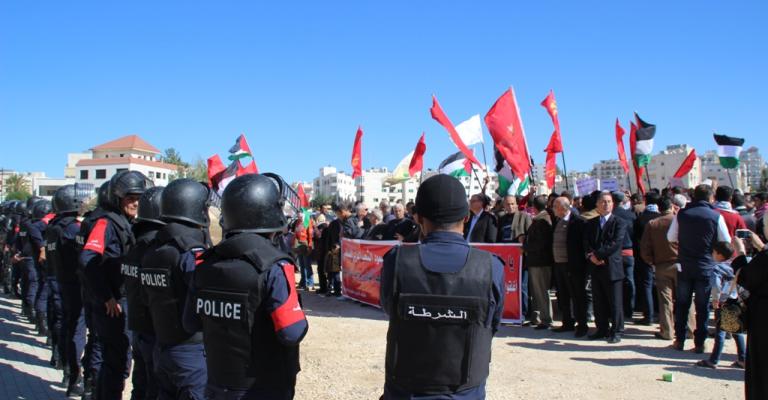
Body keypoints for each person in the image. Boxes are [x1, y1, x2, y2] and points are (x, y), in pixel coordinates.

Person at [379, 174, 504, 399]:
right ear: (466, 217)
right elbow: (491, 324)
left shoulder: (397, 261)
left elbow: (389, 308)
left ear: (419, 218)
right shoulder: (490, 266)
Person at [186, 173, 308, 399]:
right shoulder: (274, 267)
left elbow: (190, 322)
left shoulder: (205, 263)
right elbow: (292, 332)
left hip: (217, 383)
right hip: (262, 386)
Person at [80, 171, 150, 400]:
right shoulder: (105, 222)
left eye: (139, 198)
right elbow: (87, 259)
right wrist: (106, 296)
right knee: (115, 362)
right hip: (112, 304)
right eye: (130, 198)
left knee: (116, 360)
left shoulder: (125, 222)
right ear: (118, 198)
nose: (135, 203)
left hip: (121, 300)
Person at [140, 178, 211, 400]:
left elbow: (145, 298)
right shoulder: (191, 253)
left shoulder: (152, 251)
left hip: (162, 349)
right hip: (190, 354)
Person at [667, 184, 731, 353]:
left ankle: (679, 340)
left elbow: (671, 237)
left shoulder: (682, 214)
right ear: (711, 198)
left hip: (684, 265)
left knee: (682, 304)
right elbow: (725, 240)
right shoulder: (715, 216)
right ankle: (700, 343)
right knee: (703, 307)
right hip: (705, 265)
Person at [121, 186, 165, 400]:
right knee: (154, 389)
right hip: (155, 331)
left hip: (139, 328)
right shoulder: (157, 247)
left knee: (140, 385)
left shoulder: (134, 241)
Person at [640, 195, 694, 341]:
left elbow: (644, 248)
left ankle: (667, 331)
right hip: (681, 264)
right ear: (672, 207)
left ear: (658, 208)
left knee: (665, 301)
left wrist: (652, 262)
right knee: (686, 298)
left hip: (661, 265)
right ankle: (689, 330)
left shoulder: (653, 224)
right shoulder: (681, 221)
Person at [583, 191, 626, 344]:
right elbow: (587, 242)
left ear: (613, 204)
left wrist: (599, 256)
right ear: (597, 205)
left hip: (611, 267)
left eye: (608, 201)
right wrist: (591, 256)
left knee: (614, 301)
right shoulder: (591, 223)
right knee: (598, 300)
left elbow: (615, 243)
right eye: (603, 201)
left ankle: (616, 330)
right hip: (595, 268)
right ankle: (601, 328)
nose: (606, 204)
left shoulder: (619, 222)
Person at [695, 241, 746, 369]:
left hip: (723, 301)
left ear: (719, 254)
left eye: (713, 252)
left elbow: (716, 285)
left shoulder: (717, 268)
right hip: (735, 299)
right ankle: (743, 358)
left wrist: (715, 299)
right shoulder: (735, 265)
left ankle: (714, 360)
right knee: (736, 330)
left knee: (720, 332)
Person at [735, 231, 768, 399]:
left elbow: (743, 281)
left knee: (761, 370)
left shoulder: (763, 258)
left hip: (763, 319)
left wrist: (740, 254)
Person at [551, 196, 588, 337]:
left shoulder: (578, 222)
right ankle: (567, 322)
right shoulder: (558, 221)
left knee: (577, 296)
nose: (553, 209)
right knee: (563, 296)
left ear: (563, 208)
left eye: (555, 206)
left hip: (573, 266)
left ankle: (582, 324)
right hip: (559, 264)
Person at [524, 195, 554, 330]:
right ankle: (537, 317)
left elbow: (541, 243)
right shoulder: (541, 219)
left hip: (540, 261)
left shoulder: (542, 220)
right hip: (536, 260)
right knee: (536, 291)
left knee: (542, 291)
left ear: (533, 208)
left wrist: (525, 248)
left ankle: (546, 319)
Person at [633, 192, 661, 325]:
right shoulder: (664, 218)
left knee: (647, 286)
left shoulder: (641, 219)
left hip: (644, 258)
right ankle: (728, 332)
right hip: (663, 259)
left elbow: (637, 240)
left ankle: (649, 316)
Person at [610, 191, 636, 325]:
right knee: (630, 281)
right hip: (629, 251)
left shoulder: (611, 216)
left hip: (615, 253)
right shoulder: (631, 215)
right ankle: (630, 308)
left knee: (616, 283)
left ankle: (617, 309)